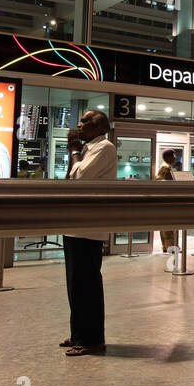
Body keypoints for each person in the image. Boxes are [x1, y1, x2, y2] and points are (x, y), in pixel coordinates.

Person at [61, 110, 117, 357]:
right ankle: (78, 334)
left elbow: (82, 176)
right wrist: (74, 153)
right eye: (80, 121)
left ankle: (92, 339)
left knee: (87, 284)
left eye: (86, 122)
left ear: (100, 127)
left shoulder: (105, 147)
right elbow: (69, 180)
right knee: (74, 284)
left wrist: (74, 152)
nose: (79, 125)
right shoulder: (86, 149)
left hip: (89, 227)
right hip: (74, 224)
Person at [156, 149, 179, 269]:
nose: (175, 158)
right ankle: (171, 248)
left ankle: (166, 247)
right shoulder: (166, 168)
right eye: (174, 156)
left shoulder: (164, 166)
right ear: (169, 157)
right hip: (168, 202)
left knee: (165, 227)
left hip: (163, 202)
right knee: (169, 228)